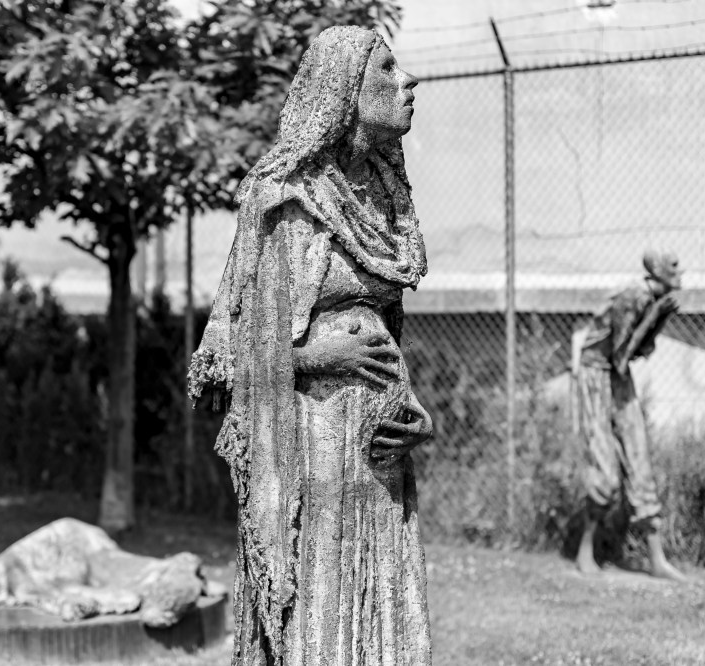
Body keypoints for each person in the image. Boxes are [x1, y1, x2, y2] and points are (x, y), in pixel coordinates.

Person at [188, 26, 433, 665]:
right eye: (387, 69)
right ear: (345, 89)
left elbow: (386, 331)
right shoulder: (288, 200)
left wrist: (410, 406)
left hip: (378, 451)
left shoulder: (382, 199)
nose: (408, 81)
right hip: (310, 442)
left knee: (382, 591)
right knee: (319, 597)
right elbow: (235, 356)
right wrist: (321, 358)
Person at [573, 249, 686, 581]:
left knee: (638, 458)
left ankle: (657, 558)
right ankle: (584, 551)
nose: (680, 270)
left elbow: (636, 353)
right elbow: (621, 357)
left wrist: (658, 320)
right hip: (595, 376)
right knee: (605, 473)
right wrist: (655, 318)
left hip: (617, 378)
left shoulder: (651, 299)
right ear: (657, 271)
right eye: (673, 266)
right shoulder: (633, 296)